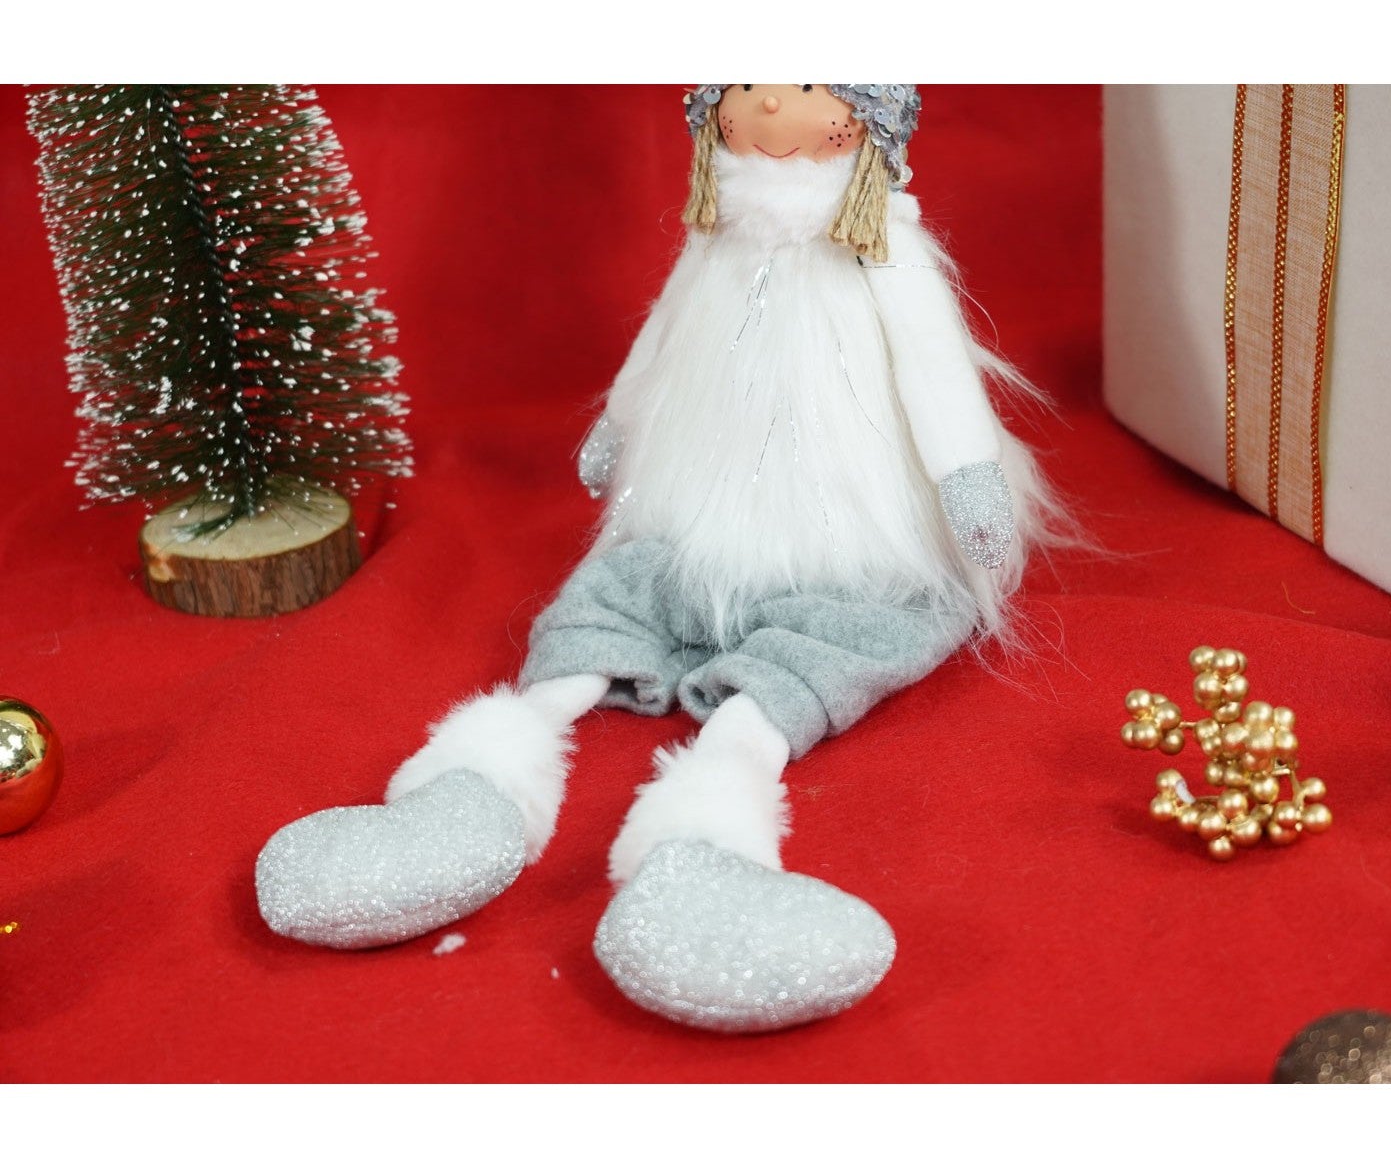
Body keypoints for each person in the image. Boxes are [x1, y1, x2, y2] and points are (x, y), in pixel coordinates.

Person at [256, 85, 1059, 1033]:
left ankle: (713, 837)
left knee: (861, 622)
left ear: (866, 119)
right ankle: (468, 790)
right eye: (746, 84)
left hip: (847, 527)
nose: (771, 101)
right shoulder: (716, 234)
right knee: (624, 588)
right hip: (698, 505)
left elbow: (933, 369)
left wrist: (968, 481)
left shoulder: (883, 244)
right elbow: (664, 335)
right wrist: (622, 422)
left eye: (809, 85)